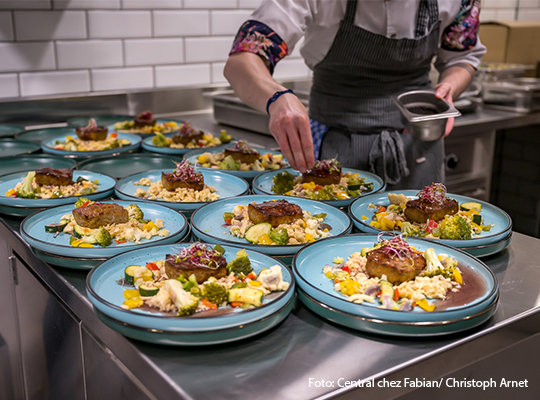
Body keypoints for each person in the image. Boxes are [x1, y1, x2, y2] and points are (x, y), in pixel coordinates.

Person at [224, 0, 485, 189]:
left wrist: (451, 84)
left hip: (418, 145)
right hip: (336, 145)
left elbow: (462, 57)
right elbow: (242, 60)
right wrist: (276, 97)